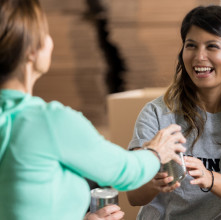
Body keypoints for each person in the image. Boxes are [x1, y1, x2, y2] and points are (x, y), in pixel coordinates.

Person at [0, 0, 186, 219]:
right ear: (32, 51)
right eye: (46, 33)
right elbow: (124, 172)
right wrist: (156, 152)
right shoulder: (49, 121)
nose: (50, 41)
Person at [126, 5, 221, 220]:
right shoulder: (157, 113)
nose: (199, 57)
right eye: (191, 46)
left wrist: (209, 177)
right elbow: (134, 196)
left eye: (212, 46)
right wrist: (155, 183)